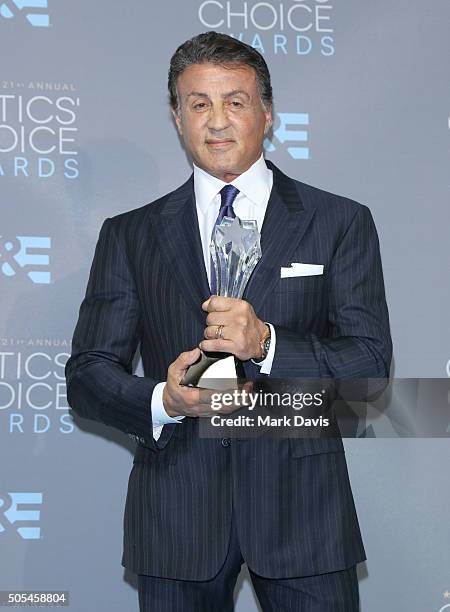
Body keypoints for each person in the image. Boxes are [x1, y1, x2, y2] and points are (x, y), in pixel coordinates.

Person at [65, 31, 392, 611]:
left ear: (266, 114)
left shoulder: (339, 221)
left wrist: (265, 342)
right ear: (176, 117)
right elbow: (89, 373)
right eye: (198, 104)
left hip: (303, 513)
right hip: (178, 514)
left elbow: (368, 366)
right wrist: (166, 400)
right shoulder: (130, 235)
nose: (217, 121)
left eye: (234, 102)